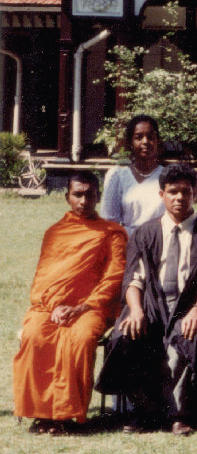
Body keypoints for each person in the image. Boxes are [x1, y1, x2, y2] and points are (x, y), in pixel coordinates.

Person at [97, 163, 197, 436]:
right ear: (162, 194)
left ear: (195, 193)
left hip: (189, 305)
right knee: (126, 335)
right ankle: (144, 410)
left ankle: (180, 415)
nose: (179, 198)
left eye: (186, 192)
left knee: (189, 335)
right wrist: (135, 310)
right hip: (151, 303)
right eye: (173, 192)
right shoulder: (145, 233)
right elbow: (134, 279)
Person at [14, 172, 127, 434]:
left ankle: (67, 416)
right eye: (78, 194)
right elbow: (43, 277)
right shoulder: (55, 232)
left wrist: (81, 307)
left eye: (89, 194)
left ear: (98, 196)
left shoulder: (112, 233)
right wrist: (53, 307)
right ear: (67, 197)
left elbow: (114, 277)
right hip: (52, 307)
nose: (84, 200)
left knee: (81, 339)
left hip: (91, 308)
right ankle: (41, 414)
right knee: (34, 335)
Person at [101, 114, 164, 232]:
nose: (145, 142)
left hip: (160, 243)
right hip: (128, 244)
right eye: (139, 137)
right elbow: (109, 222)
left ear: (157, 141)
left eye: (150, 137)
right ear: (130, 142)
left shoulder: (167, 176)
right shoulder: (118, 176)